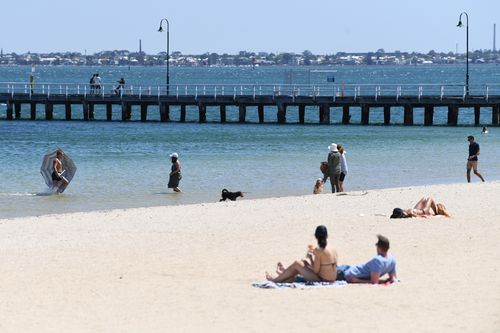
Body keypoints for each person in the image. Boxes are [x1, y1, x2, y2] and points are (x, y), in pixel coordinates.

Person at [265, 225, 338, 283]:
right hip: (332, 279)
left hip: (322, 280)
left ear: (315, 236)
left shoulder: (318, 250)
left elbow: (316, 271)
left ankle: (275, 280)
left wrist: (310, 258)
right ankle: (285, 275)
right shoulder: (333, 248)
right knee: (303, 263)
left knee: (297, 263)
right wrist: (307, 262)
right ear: (327, 236)